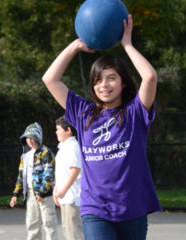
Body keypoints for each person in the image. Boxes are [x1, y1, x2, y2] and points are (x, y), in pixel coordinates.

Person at [42, 14, 162, 240]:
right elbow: (50, 79)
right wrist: (76, 45)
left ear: (123, 82)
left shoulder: (135, 113)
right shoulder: (83, 113)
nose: (104, 85)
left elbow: (150, 77)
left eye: (111, 78)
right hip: (95, 209)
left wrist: (127, 44)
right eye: (98, 80)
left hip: (132, 208)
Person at [9, 122, 59, 240]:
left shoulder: (46, 153)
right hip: (31, 194)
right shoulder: (25, 155)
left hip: (45, 195)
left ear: (38, 138)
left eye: (33, 137)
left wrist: (42, 193)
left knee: (49, 223)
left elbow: (49, 173)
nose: (30, 140)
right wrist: (16, 194)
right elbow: (21, 176)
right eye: (27, 138)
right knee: (32, 223)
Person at [53, 116, 83, 240]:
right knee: (67, 232)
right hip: (65, 198)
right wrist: (56, 190)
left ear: (68, 130)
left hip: (72, 198)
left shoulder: (73, 147)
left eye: (59, 129)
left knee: (74, 234)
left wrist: (63, 190)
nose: (56, 132)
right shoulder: (63, 147)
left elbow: (75, 170)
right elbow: (61, 173)